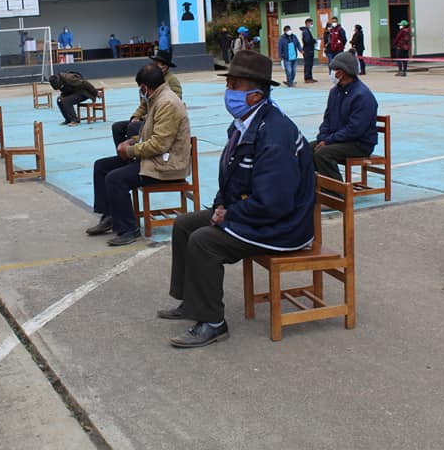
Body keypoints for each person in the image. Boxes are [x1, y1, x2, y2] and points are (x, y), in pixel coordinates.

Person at [158, 50, 316, 348]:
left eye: (234, 85)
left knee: (204, 241)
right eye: (228, 84)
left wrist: (229, 214)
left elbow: (275, 202)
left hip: (282, 226)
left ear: (256, 94)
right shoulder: (246, 123)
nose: (228, 92)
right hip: (254, 211)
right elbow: (232, 175)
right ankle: (192, 302)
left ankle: (213, 322)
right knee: (184, 225)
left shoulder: (275, 133)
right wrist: (221, 204)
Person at [88, 64, 191, 247]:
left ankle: (129, 229)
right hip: (152, 159)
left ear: (144, 87)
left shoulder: (167, 103)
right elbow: (149, 134)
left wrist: (129, 151)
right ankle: (110, 215)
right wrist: (132, 141)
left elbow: (160, 144)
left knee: (115, 178)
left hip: (165, 166)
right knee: (101, 166)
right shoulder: (156, 99)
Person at [313, 52, 379, 182]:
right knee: (305, 149)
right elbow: (327, 119)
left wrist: (328, 141)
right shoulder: (335, 92)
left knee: (323, 154)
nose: (331, 73)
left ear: (341, 73)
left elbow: (354, 129)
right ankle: (316, 187)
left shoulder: (362, 96)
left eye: (333, 70)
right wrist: (323, 137)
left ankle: (337, 193)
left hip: (359, 143)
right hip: (338, 139)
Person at [111, 50, 183, 148]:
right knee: (117, 127)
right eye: (157, 63)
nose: (159, 66)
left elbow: (175, 102)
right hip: (146, 118)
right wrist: (136, 116)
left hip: (159, 119)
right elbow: (144, 104)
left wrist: (144, 118)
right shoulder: (149, 77)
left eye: (162, 64)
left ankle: (134, 157)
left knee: (133, 127)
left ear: (166, 66)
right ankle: (122, 155)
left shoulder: (172, 80)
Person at [300, 19, 317, 83]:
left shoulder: (307, 31)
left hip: (310, 50)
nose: (312, 25)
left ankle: (310, 77)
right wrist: (314, 41)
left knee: (310, 64)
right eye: (311, 23)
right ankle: (307, 78)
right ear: (307, 23)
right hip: (307, 50)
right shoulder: (305, 31)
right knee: (308, 65)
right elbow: (307, 41)